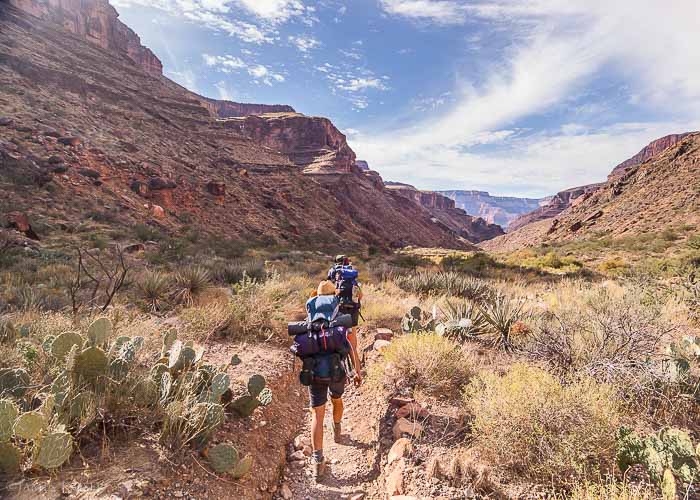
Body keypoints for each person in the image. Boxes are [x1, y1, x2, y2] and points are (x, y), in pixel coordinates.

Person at [306, 279, 362, 481]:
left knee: (316, 415)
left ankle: (317, 460)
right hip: (338, 369)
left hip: (314, 371)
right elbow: (353, 346)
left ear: (317, 297)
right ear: (335, 296)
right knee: (336, 400)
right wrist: (357, 371)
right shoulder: (344, 315)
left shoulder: (311, 314)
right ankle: (337, 427)